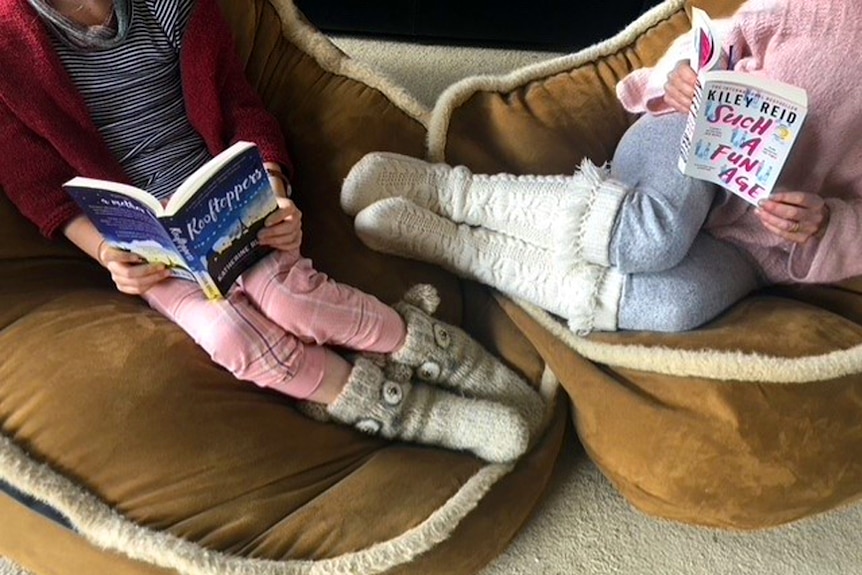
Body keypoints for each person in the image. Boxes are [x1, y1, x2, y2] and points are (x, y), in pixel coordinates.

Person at [0, 0, 547, 463]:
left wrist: (274, 190)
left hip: (227, 194)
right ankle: (402, 410)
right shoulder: (9, 48)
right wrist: (106, 253)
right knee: (230, 337)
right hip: (148, 242)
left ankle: (436, 349)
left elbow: (239, 104)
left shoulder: (163, 7)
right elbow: (38, 186)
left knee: (292, 299)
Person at [339, 0, 859, 334]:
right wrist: (679, 74)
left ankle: (459, 248)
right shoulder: (816, 10)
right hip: (688, 138)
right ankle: (452, 193)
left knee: (673, 308)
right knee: (653, 237)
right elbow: (711, 40)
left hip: (757, 240)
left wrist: (827, 223)